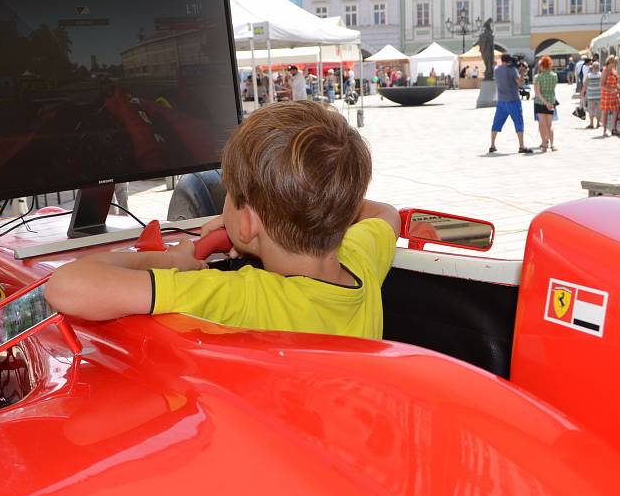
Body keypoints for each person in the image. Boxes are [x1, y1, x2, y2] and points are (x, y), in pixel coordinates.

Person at [45, 101, 400, 340]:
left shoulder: (244, 297)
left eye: (228, 195)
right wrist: (316, 201)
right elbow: (386, 213)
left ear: (247, 223)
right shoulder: (363, 259)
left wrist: (170, 260)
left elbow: (66, 286)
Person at [489, 55, 532, 154]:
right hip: (513, 100)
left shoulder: (496, 69)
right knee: (519, 122)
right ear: (509, 61)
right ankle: (521, 146)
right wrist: (522, 73)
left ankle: (492, 145)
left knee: (496, 123)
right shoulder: (512, 70)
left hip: (501, 101)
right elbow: (520, 84)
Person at [532, 56, 558, 152]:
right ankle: (552, 145)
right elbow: (553, 88)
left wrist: (545, 102)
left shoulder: (537, 77)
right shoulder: (554, 76)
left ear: (541, 66)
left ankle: (544, 144)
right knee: (550, 125)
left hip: (539, 102)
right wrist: (548, 102)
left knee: (542, 124)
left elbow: (537, 93)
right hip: (551, 101)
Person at [600, 55, 620, 137]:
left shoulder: (614, 70)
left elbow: (616, 83)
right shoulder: (605, 70)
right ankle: (604, 130)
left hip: (614, 94)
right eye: (615, 63)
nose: (616, 65)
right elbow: (602, 85)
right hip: (606, 94)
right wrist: (611, 90)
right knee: (605, 112)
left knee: (615, 111)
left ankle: (614, 129)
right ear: (610, 62)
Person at [582, 61, 603, 130]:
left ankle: (591, 123)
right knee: (599, 110)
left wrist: (582, 93)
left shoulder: (589, 75)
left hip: (591, 95)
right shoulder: (601, 75)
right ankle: (598, 123)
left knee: (591, 110)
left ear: (592, 67)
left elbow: (585, 86)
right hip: (599, 95)